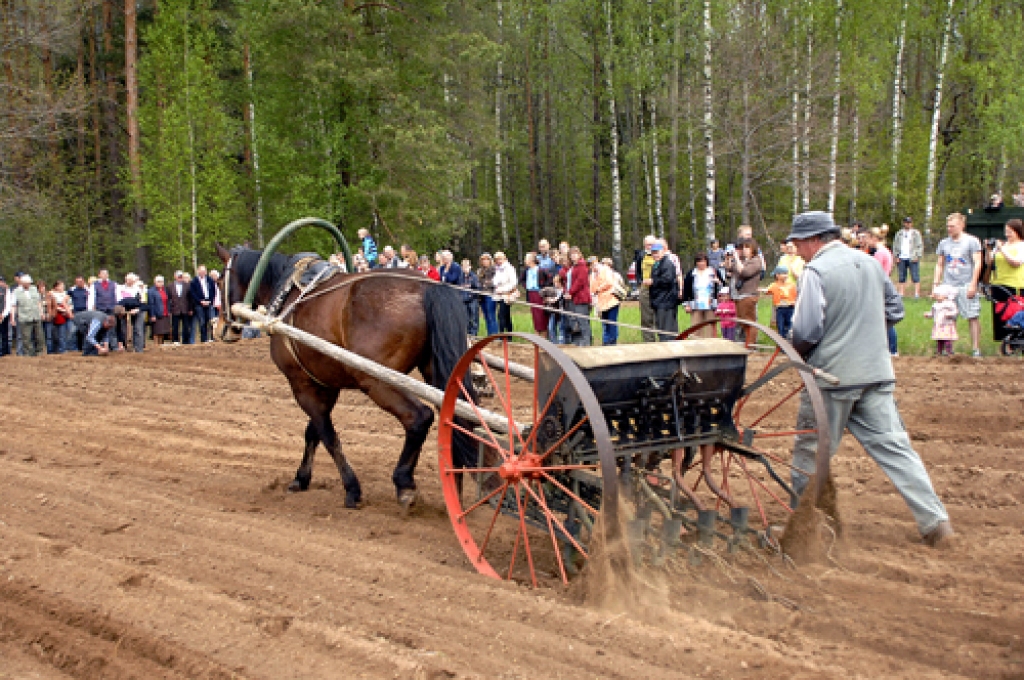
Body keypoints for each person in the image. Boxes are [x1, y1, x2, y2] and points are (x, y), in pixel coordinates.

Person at [787, 210, 952, 547]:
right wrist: (866, 334)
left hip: (832, 378)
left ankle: (801, 530)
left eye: (798, 243)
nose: (797, 250)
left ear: (813, 240)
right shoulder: (869, 263)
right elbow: (895, 311)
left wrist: (796, 354)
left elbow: (806, 330)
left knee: (810, 452)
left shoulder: (816, 271)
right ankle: (936, 524)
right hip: (876, 373)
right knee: (897, 450)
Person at [934, 212, 983, 357]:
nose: (949, 229)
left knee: (972, 315)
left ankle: (975, 349)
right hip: (948, 285)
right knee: (947, 317)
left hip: (965, 283)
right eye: (948, 226)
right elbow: (940, 264)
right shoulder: (944, 243)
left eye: (952, 226)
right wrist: (936, 284)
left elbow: (978, 263)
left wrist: (973, 284)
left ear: (961, 225)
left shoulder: (972, 241)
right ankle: (949, 348)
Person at [987, 218, 1024, 342]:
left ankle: (1015, 342)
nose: (1007, 235)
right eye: (1006, 231)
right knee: (1000, 314)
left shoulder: (1021, 245)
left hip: (1015, 285)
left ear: (1018, 231)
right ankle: (1003, 342)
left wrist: (1002, 249)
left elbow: (1016, 263)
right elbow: (990, 262)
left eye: (1010, 232)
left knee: (1014, 314)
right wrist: (988, 250)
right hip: (998, 284)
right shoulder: (1002, 246)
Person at [728, 238, 763, 347]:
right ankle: (746, 343)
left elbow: (745, 272)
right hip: (740, 296)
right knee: (742, 322)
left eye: (747, 247)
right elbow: (730, 269)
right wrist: (730, 258)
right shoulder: (744, 260)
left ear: (753, 249)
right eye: (743, 247)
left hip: (748, 295)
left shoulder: (756, 261)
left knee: (749, 322)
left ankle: (751, 345)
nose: (744, 250)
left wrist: (737, 259)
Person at [682, 253, 721, 338]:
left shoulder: (714, 272)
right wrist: (686, 305)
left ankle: (710, 346)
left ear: (707, 261)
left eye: (703, 261)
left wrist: (718, 282)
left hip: (710, 305)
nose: (701, 263)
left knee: (710, 327)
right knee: (696, 327)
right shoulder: (691, 274)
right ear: (696, 263)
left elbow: (723, 287)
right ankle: (697, 347)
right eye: (699, 261)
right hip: (696, 305)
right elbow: (686, 290)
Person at [649, 242, 679, 339]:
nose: (655, 255)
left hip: (666, 302)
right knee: (661, 328)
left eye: (657, 252)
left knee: (667, 330)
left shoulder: (667, 264)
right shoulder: (656, 264)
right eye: (653, 253)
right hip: (659, 301)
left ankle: (669, 350)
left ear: (663, 252)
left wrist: (653, 281)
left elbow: (667, 280)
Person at [11, 275, 45, 356]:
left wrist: (41, 313)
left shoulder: (33, 289)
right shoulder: (16, 291)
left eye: (29, 283)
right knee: (26, 337)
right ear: (22, 283)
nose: (28, 285)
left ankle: (39, 352)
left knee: (39, 336)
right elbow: (13, 305)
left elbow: (38, 302)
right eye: (27, 283)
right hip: (24, 317)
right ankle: (28, 353)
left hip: (36, 316)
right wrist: (12, 318)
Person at [590, 256, 620, 346]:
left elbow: (609, 282)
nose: (593, 267)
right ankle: (606, 342)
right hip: (601, 303)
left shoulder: (605, 270)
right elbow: (592, 289)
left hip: (611, 300)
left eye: (594, 264)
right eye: (591, 265)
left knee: (612, 322)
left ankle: (612, 342)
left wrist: (599, 288)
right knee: (605, 323)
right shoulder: (592, 275)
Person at [633, 235, 657, 342]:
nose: (649, 246)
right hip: (645, 289)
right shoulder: (641, 256)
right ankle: (648, 341)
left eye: (651, 244)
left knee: (659, 317)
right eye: (647, 244)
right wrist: (640, 282)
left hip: (658, 289)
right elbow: (637, 271)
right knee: (646, 318)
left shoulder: (661, 256)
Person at [761, 266, 797, 339]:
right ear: (777, 275)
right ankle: (781, 344)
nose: (786, 275)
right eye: (783, 273)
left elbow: (796, 295)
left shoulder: (791, 285)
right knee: (780, 327)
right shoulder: (774, 285)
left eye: (786, 273)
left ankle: (789, 343)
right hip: (780, 309)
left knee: (790, 326)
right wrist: (762, 290)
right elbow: (767, 290)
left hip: (790, 308)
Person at [925, 285, 959, 357]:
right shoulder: (935, 305)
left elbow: (955, 311)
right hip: (938, 325)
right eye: (936, 296)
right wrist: (928, 315)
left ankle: (949, 352)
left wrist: (949, 314)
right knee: (939, 340)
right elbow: (933, 313)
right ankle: (939, 352)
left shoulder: (949, 303)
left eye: (938, 295)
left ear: (945, 295)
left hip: (946, 325)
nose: (936, 297)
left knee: (947, 339)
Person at [894, 217, 923, 298]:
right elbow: (895, 245)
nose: (908, 224)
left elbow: (919, 245)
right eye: (906, 222)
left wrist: (918, 255)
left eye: (909, 222)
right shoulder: (899, 233)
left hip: (912, 257)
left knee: (915, 276)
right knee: (901, 276)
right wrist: (896, 256)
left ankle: (916, 294)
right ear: (904, 223)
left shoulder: (916, 233)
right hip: (901, 257)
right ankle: (901, 293)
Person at [522, 253, 549, 339]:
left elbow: (548, 280)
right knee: (535, 315)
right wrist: (526, 286)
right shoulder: (526, 271)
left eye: (526, 258)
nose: (525, 261)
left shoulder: (541, 270)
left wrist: (544, 291)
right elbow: (522, 280)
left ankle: (544, 337)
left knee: (542, 315)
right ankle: (537, 335)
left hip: (539, 294)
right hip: (531, 293)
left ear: (532, 260)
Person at [189, 265, 217, 343]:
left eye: (204, 271)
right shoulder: (194, 281)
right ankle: (203, 339)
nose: (202, 273)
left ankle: (211, 338)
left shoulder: (210, 280)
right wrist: (200, 301)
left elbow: (213, 291)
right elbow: (193, 293)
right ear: (198, 271)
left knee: (211, 321)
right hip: (199, 304)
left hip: (209, 303)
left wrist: (210, 300)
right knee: (202, 322)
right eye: (201, 271)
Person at [492, 251, 518, 333]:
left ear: (504, 259)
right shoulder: (496, 269)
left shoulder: (509, 268)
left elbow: (513, 282)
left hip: (507, 295)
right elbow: (495, 281)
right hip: (498, 295)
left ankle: (502, 335)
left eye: (500, 259)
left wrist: (503, 290)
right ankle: (509, 335)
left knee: (501, 315)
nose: (499, 261)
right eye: (497, 259)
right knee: (506, 316)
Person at [167, 270, 193, 345]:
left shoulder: (187, 285)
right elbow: (168, 299)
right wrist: (169, 309)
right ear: (175, 277)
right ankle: (175, 340)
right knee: (175, 326)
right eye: (178, 276)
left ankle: (186, 341)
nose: (180, 278)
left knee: (186, 326)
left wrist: (190, 309)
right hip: (175, 309)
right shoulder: (170, 286)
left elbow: (190, 298)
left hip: (185, 309)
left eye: (181, 276)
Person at [47, 280, 73, 354]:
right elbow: (53, 305)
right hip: (57, 315)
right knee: (58, 334)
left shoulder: (66, 293)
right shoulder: (52, 293)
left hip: (66, 314)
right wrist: (62, 310)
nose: (62, 287)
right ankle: (59, 349)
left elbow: (70, 303)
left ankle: (64, 347)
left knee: (67, 332)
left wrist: (68, 311)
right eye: (61, 285)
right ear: (56, 287)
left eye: (63, 285)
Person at [477, 253, 498, 335]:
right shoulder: (480, 271)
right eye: (483, 260)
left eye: (487, 259)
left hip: (490, 295)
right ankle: (489, 335)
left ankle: (494, 335)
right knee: (486, 316)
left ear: (490, 260)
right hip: (481, 295)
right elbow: (478, 282)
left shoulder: (494, 269)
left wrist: (486, 284)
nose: (485, 261)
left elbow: (495, 282)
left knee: (491, 316)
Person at [459, 259, 481, 337]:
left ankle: (474, 334)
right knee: (466, 319)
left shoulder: (474, 277)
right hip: (463, 301)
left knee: (474, 318)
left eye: (467, 266)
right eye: (463, 266)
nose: (465, 268)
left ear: (470, 267)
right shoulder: (459, 277)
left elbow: (478, 288)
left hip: (472, 300)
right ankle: (467, 334)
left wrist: (471, 296)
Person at [67, 276, 89, 351]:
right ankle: (72, 349)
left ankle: (84, 347)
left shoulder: (88, 289)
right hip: (76, 313)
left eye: (80, 281)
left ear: (83, 281)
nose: (79, 283)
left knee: (85, 331)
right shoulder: (72, 289)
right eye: (77, 282)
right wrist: (69, 312)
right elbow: (64, 301)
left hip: (86, 313)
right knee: (73, 331)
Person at [148, 275, 172, 346]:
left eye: (162, 281)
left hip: (165, 313)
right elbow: (151, 304)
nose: (160, 283)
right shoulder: (151, 291)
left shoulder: (165, 290)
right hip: (156, 314)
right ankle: (156, 345)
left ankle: (161, 345)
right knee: (156, 331)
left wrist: (169, 311)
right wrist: (152, 315)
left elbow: (168, 301)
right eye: (158, 281)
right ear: (155, 282)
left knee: (163, 331)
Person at [0, 277, 9, 356]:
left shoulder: (6, 290)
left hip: (3, 315)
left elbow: (8, 303)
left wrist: (3, 314)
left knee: (4, 333)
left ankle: (4, 350)